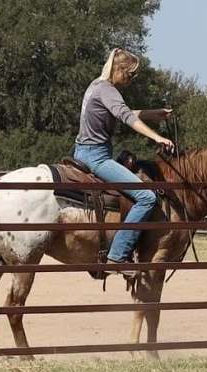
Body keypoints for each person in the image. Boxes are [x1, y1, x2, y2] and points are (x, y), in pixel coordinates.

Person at [74, 48, 175, 277]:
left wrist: (154, 114)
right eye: (130, 74)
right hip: (96, 157)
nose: (131, 79)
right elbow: (126, 116)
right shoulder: (108, 90)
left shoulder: (97, 86)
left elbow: (123, 111)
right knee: (147, 197)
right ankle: (117, 256)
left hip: (82, 151)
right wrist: (157, 137)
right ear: (118, 69)